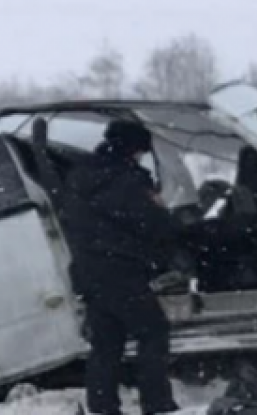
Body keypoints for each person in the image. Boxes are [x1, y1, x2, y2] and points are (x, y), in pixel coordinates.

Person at [66, 119, 179, 415]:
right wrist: (170, 223)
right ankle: (157, 403)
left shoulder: (82, 176)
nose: (142, 157)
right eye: (141, 151)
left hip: (89, 271)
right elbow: (153, 223)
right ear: (133, 149)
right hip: (120, 270)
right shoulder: (127, 180)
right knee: (153, 331)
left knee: (106, 342)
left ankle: (102, 406)